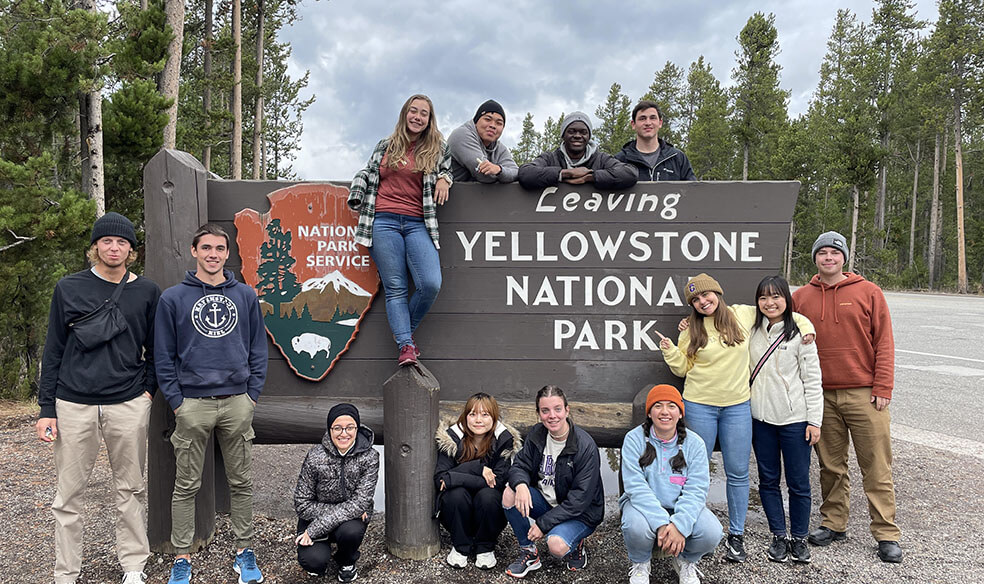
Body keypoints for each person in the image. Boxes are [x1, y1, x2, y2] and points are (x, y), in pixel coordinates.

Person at [37, 212, 161, 584]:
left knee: (130, 487)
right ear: (95, 247)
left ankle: (133, 566)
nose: (114, 247)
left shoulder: (147, 292)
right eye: (107, 241)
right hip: (73, 402)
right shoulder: (69, 288)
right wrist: (47, 408)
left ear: (131, 250)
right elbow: (54, 348)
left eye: (122, 242)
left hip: (127, 402)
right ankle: (66, 572)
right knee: (68, 495)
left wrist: (147, 393)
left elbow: (156, 349)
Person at [657, 273, 814, 563]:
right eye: (696, 299)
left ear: (717, 292)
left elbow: (782, 314)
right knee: (696, 470)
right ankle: (692, 529)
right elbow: (682, 369)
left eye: (707, 295)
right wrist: (669, 350)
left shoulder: (742, 314)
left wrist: (805, 328)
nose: (703, 302)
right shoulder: (690, 327)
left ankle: (736, 535)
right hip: (699, 404)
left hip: (738, 406)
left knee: (738, 472)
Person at [155, 223, 268, 584]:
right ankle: (182, 558)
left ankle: (244, 552)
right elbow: (163, 355)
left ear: (227, 253)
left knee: (241, 482)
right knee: (186, 485)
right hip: (192, 404)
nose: (213, 254)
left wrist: (251, 396)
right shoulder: (173, 299)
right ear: (194, 251)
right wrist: (176, 402)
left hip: (237, 402)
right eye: (206, 248)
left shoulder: (245, 296)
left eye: (220, 248)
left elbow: (257, 350)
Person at [792, 231, 903, 563]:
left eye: (834, 253)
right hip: (821, 396)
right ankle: (834, 522)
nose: (829, 258)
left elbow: (884, 342)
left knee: (876, 466)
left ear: (844, 258)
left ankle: (885, 532)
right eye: (822, 253)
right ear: (815, 258)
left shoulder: (869, 292)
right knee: (831, 466)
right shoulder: (801, 298)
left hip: (865, 394)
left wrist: (883, 386)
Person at [348, 94, 453, 366]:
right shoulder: (386, 145)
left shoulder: (437, 148)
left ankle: (403, 331)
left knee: (430, 283)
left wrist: (445, 178)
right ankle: (406, 346)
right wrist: (358, 187)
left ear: (430, 120)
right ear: (405, 114)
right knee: (395, 288)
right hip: (383, 221)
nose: (417, 117)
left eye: (424, 114)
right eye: (413, 111)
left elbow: (448, 169)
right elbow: (369, 172)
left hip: (418, 222)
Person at [749, 275, 823, 564]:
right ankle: (779, 535)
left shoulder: (800, 333)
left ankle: (800, 538)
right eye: (764, 298)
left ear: (786, 299)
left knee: (799, 482)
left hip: (795, 420)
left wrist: (814, 421)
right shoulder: (752, 331)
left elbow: (813, 380)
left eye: (776, 297)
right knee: (768, 481)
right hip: (761, 419)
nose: (770, 303)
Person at [621, 384, 722, 584]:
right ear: (649, 412)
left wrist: (679, 526)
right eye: (658, 406)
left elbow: (696, 489)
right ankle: (640, 563)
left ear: (680, 413)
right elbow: (635, 487)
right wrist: (661, 524)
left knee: (712, 532)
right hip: (641, 507)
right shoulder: (634, 439)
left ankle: (685, 560)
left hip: (678, 506)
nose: (665, 412)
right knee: (635, 526)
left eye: (671, 406)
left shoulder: (695, 444)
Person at [501, 385, 604, 578]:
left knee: (556, 546)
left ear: (567, 410)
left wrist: (543, 525)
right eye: (545, 410)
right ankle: (529, 553)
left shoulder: (585, 446)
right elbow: (519, 465)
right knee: (510, 493)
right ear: (539, 414)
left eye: (557, 409)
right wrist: (521, 485)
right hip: (548, 503)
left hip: (580, 514)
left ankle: (575, 543)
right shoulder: (537, 434)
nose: (552, 416)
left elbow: (579, 501)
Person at [294, 403, 380, 583]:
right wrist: (348, 511)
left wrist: (315, 530)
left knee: (352, 531)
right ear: (329, 429)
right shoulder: (315, 456)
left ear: (357, 428)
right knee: (314, 562)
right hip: (315, 517)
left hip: (345, 523)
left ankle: (346, 561)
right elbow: (302, 503)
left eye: (350, 427)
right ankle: (322, 549)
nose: (344, 433)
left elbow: (360, 502)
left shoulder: (370, 457)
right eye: (338, 428)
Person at [435, 392, 520, 569]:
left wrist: (455, 477)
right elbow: (441, 479)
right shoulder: (451, 439)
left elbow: (497, 481)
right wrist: (478, 469)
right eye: (472, 414)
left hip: (488, 514)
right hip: (457, 515)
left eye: (485, 414)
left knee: (489, 496)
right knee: (455, 494)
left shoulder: (503, 442)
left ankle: (485, 547)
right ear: (465, 417)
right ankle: (460, 546)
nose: (478, 420)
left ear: (494, 418)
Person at [517, 111, 637, 190]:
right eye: (572, 131)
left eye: (583, 132)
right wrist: (565, 173)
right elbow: (525, 173)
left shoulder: (601, 159)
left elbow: (629, 173)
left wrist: (591, 177)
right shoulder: (550, 158)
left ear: (589, 136)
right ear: (563, 135)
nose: (578, 136)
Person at [615, 100, 697, 181]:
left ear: (660, 123)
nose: (648, 123)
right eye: (642, 118)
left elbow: (693, 191)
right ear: (633, 124)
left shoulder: (677, 158)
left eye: (652, 118)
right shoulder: (620, 161)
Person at [448, 99, 519, 183]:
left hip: (477, 195)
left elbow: (516, 172)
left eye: (499, 123)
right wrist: (503, 175)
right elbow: (485, 176)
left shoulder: (499, 148)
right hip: (447, 194)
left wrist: (499, 170)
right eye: (488, 119)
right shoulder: (461, 135)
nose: (493, 126)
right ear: (476, 121)